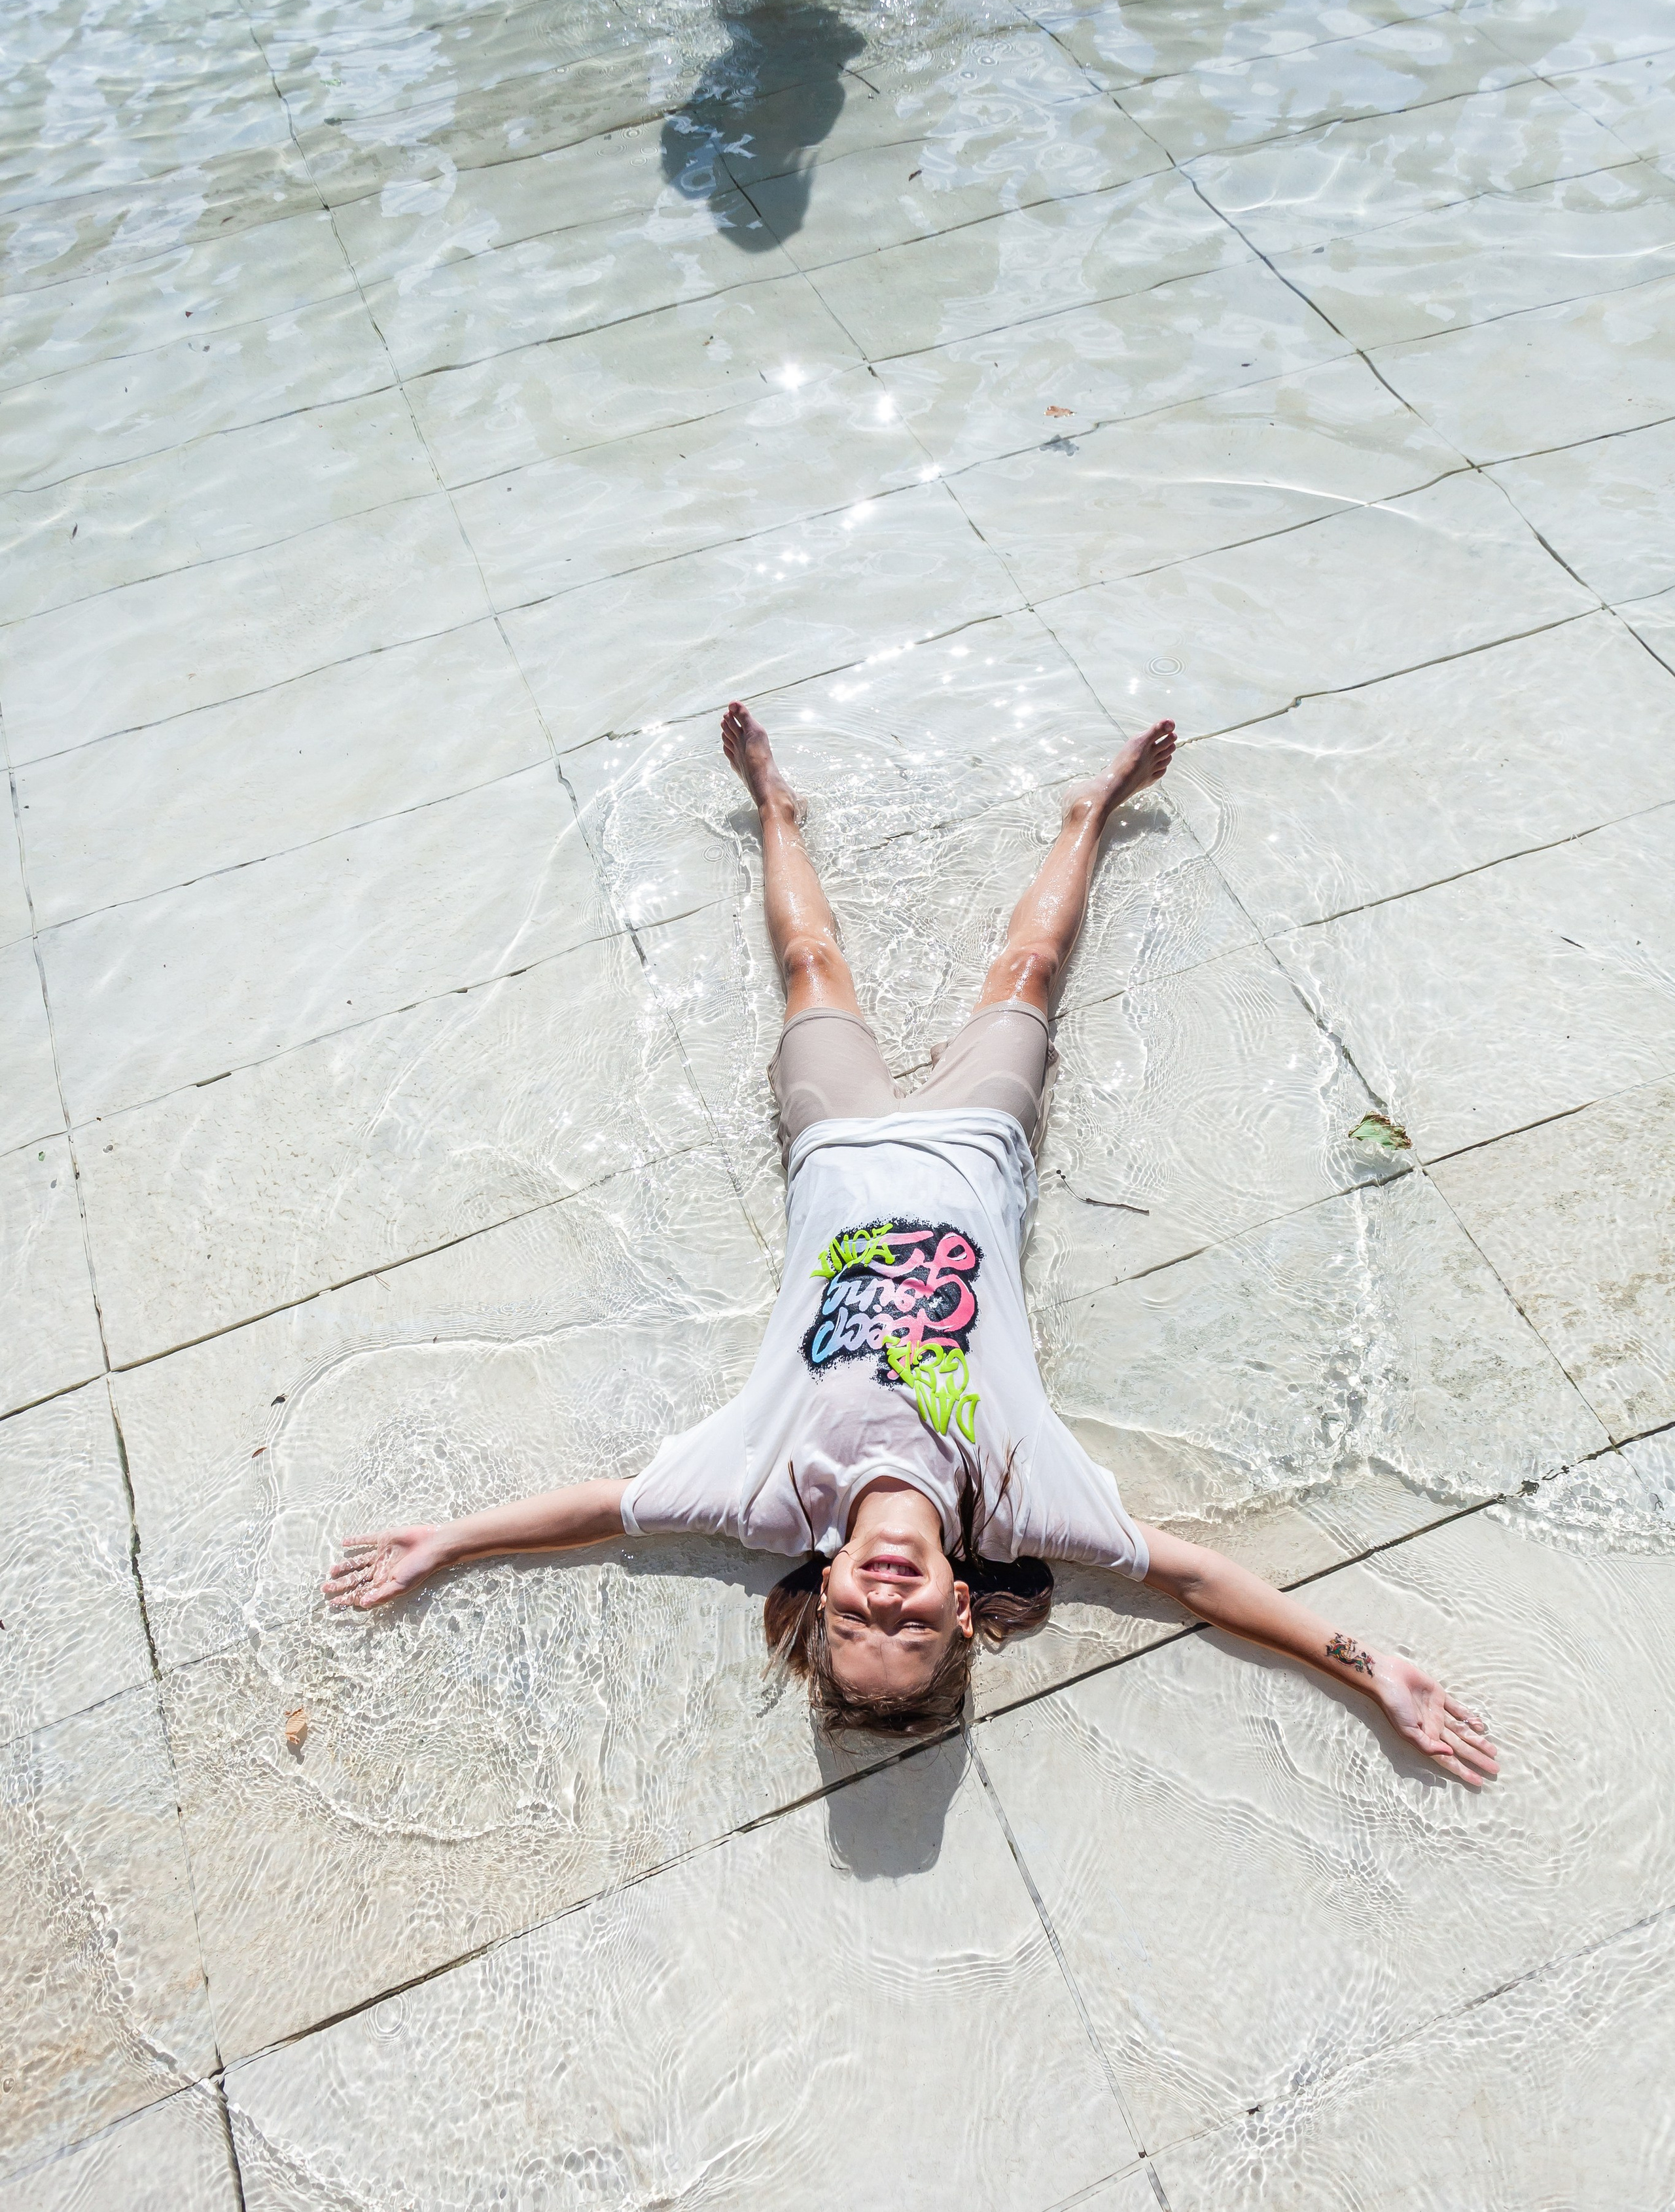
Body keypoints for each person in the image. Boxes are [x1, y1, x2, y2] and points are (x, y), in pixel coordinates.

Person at [325, 702, 1497, 1790]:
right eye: (915, 1626)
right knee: (1029, 974)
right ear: (965, 1611)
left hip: (833, 1144)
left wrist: (451, 1542)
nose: (886, 1603)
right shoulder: (1024, 1505)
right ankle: (1089, 814)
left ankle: (776, 809)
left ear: (818, 1593)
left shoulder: (766, 1494)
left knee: (811, 970)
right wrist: (1366, 1663)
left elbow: (596, 1509)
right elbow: (1198, 1580)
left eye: (853, 1623)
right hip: (980, 1144)